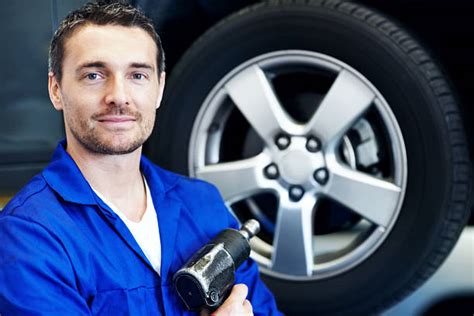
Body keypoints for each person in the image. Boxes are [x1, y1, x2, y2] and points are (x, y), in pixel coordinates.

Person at [0, 2, 282, 315]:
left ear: (159, 88)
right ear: (56, 89)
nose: (119, 96)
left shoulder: (202, 205)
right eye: (94, 75)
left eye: (137, 75)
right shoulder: (30, 234)